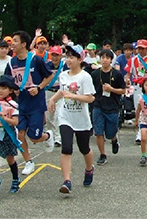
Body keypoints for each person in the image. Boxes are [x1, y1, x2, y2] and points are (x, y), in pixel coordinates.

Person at [3, 30, 56, 175]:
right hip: (22, 104)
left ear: (24, 44)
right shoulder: (11, 62)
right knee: (20, 134)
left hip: (36, 104)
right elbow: (8, 81)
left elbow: (49, 76)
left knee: (34, 137)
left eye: (15, 41)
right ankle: (28, 161)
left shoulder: (35, 60)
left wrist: (38, 88)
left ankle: (47, 136)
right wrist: (14, 90)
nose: (12, 44)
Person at [48, 44, 96, 195]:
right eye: (67, 57)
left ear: (80, 59)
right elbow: (62, 91)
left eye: (72, 57)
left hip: (81, 119)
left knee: (84, 148)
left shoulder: (85, 77)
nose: (68, 60)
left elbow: (90, 98)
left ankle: (89, 169)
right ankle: (66, 181)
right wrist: (52, 100)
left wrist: (74, 96)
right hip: (65, 116)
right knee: (66, 148)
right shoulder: (63, 75)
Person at [91, 49, 126, 165]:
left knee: (110, 132)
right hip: (98, 106)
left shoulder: (117, 74)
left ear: (111, 60)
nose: (104, 60)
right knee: (99, 132)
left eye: (107, 58)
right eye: (102, 57)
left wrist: (111, 89)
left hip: (112, 107)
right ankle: (102, 154)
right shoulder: (95, 74)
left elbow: (123, 90)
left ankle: (114, 139)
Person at [125, 39, 147, 144]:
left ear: (146, 48)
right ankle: (141, 132)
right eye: (138, 48)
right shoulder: (133, 60)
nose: (140, 50)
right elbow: (128, 74)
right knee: (139, 109)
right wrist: (127, 81)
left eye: (142, 48)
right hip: (138, 87)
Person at [44, 46, 66, 148]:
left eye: (57, 55)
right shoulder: (46, 65)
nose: (55, 58)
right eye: (53, 55)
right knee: (49, 115)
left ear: (61, 56)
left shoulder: (64, 66)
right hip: (48, 91)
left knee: (58, 115)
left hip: (60, 92)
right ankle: (51, 135)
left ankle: (58, 137)